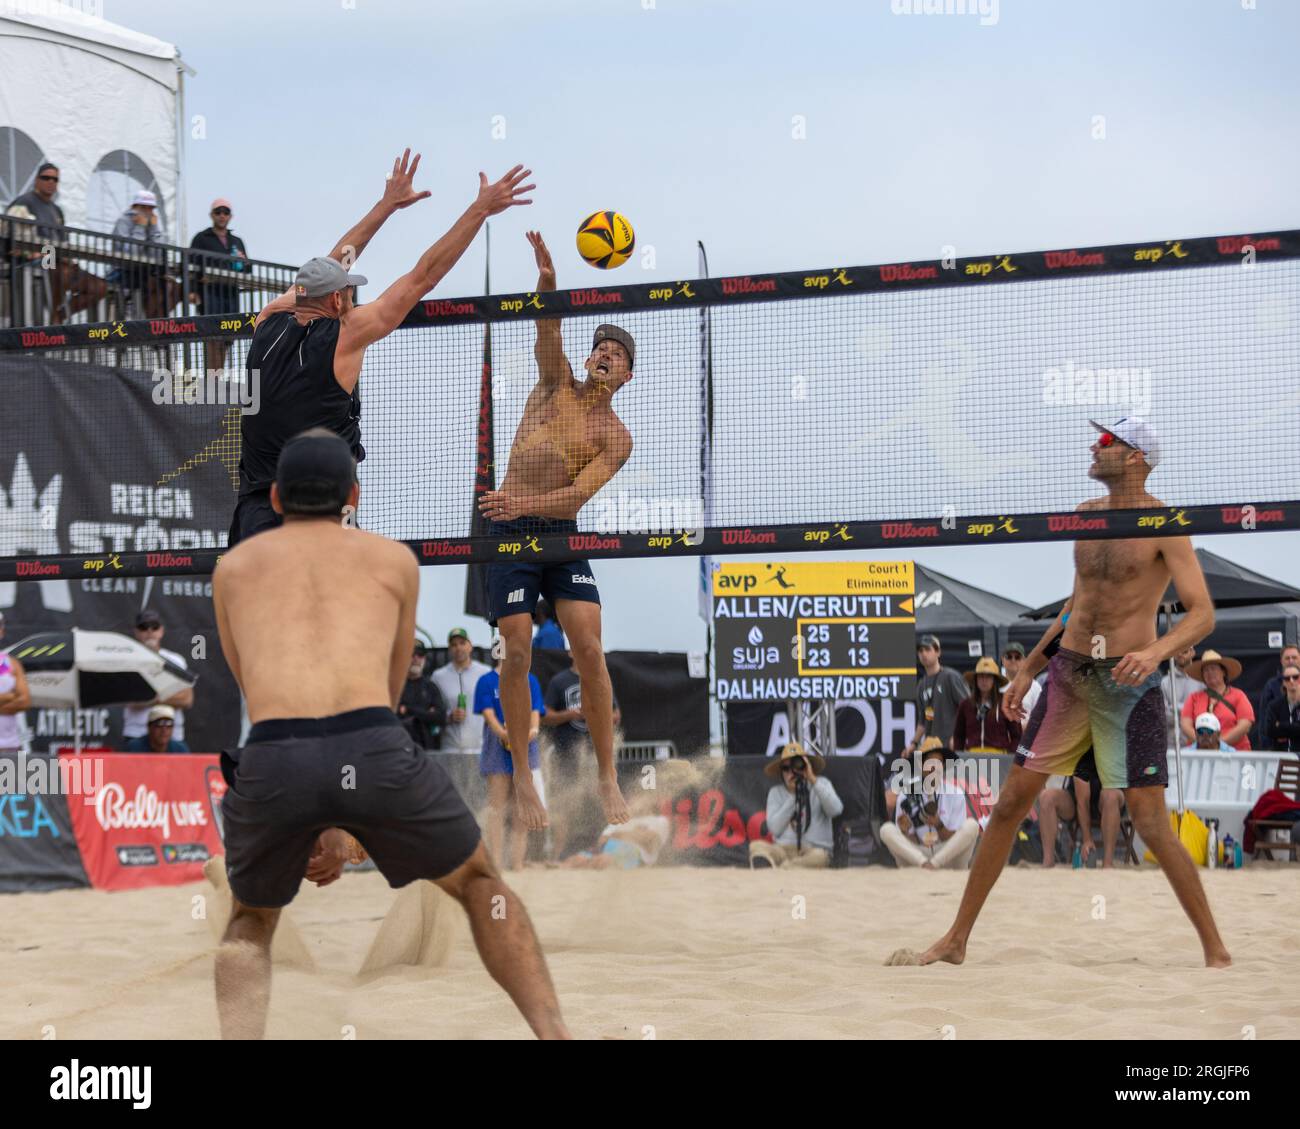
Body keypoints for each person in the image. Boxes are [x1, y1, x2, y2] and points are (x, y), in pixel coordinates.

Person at [212, 428, 567, 1039]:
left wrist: (317, 818)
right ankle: (557, 1036)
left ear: (274, 498)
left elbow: (258, 691)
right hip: (370, 744)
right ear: (352, 494)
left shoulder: (233, 569)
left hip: (275, 756)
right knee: (483, 886)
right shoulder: (393, 560)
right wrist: (342, 810)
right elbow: (389, 691)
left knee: (250, 920)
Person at [910, 418, 1230, 968]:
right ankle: (957, 939)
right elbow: (1075, 606)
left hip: (1129, 682)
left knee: (1150, 822)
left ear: (1135, 458)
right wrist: (1029, 669)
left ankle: (1216, 952)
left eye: (1106, 441)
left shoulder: (1166, 525)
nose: (1093, 445)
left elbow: (1202, 614)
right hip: (1071, 677)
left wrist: (1154, 652)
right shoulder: (1085, 515)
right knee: (1011, 803)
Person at [229, 150, 534, 547]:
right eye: (348, 290)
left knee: (259, 608)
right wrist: (479, 209)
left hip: (254, 509)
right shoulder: (345, 335)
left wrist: (386, 205)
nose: (353, 296)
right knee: (329, 607)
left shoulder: (267, 321)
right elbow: (423, 276)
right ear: (336, 301)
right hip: (319, 509)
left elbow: (328, 266)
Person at [475, 230, 633, 836]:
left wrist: (525, 505)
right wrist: (547, 283)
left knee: (590, 649)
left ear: (626, 375)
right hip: (510, 529)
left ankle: (607, 775)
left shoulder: (617, 436)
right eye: (602, 346)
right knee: (515, 647)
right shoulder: (556, 381)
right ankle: (520, 771)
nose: (605, 354)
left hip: (557, 532)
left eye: (617, 353)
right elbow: (548, 329)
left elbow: (576, 495)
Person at [541, 647, 622, 857]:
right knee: (564, 805)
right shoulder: (559, 681)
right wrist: (570, 714)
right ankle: (558, 855)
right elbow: (545, 715)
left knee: (601, 801)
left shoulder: (599, 678)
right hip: (566, 755)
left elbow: (615, 715)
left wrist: (595, 714)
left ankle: (601, 849)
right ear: (570, 652)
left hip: (596, 757)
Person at [5, 162, 106, 322]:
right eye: (46, 177)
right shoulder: (23, 202)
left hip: (56, 259)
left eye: (55, 179)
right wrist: (29, 253)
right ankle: (53, 318)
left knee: (100, 287)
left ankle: (59, 316)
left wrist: (67, 257)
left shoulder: (57, 210)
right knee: (62, 270)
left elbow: (62, 242)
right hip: (35, 258)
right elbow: (9, 235)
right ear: (36, 180)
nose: (51, 182)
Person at [475, 649, 546, 871]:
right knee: (497, 807)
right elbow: (488, 715)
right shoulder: (487, 681)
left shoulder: (530, 680)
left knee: (520, 807)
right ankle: (495, 861)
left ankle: (517, 862)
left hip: (525, 745)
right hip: (498, 746)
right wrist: (504, 733)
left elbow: (535, 712)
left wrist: (531, 731)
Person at [557, 760, 698, 870]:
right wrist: (633, 834)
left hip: (630, 853)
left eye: (645, 796)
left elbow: (651, 840)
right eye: (637, 795)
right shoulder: (621, 818)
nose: (638, 799)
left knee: (603, 861)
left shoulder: (659, 820)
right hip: (606, 850)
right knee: (575, 860)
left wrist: (619, 835)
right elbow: (602, 840)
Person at [881, 737, 979, 870]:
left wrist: (939, 825)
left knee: (972, 826)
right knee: (886, 829)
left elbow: (955, 839)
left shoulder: (955, 793)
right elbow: (909, 844)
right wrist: (905, 832)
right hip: (917, 856)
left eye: (938, 762)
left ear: (944, 765)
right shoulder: (906, 794)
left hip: (947, 856)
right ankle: (925, 864)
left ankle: (932, 865)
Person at [748, 743, 843, 869]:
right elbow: (775, 829)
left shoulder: (821, 784)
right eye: (786, 768)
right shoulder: (776, 792)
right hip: (783, 850)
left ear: (807, 766)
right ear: (781, 772)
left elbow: (836, 810)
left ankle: (783, 868)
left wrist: (812, 780)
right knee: (756, 846)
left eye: (797, 766)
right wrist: (794, 797)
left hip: (814, 850)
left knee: (820, 857)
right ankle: (785, 867)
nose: (792, 772)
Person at [188, 197, 249, 372]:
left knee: (227, 337)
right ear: (211, 215)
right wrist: (192, 291)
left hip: (230, 294)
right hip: (209, 294)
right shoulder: (201, 238)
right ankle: (213, 378)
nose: (222, 215)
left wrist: (243, 263)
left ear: (230, 216)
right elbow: (190, 265)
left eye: (225, 212)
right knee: (212, 335)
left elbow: (247, 268)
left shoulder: (236, 241)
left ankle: (217, 377)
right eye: (218, 212)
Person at [1036, 748, 1124, 868]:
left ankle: (1108, 863)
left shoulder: (1112, 740)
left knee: (1111, 796)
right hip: (1077, 798)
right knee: (1047, 797)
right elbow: (1082, 801)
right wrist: (1087, 839)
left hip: (1109, 797)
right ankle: (1048, 861)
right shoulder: (1080, 746)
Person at [122, 608, 193, 744]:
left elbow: (186, 699)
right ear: (136, 632)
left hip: (172, 735)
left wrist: (149, 697)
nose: (149, 631)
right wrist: (169, 695)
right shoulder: (127, 661)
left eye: (154, 627)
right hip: (137, 733)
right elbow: (129, 699)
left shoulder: (176, 661)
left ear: (161, 631)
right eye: (144, 627)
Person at [110, 190, 175, 318]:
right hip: (123, 271)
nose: (147, 211)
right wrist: (140, 227)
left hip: (144, 272)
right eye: (143, 207)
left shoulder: (151, 224)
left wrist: (154, 229)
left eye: (150, 208)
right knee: (148, 284)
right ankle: (137, 321)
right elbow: (131, 253)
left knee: (167, 285)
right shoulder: (123, 221)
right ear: (134, 207)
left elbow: (158, 254)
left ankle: (155, 324)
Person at [906, 634, 969, 755]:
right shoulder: (921, 685)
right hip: (932, 748)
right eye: (921, 651)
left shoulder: (950, 677)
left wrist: (958, 736)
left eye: (928, 649)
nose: (924, 654)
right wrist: (914, 743)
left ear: (938, 652)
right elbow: (923, 721)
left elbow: (969, 710)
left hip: (952, 745)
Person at [430, 627, 490, 753]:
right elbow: (432, 709)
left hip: (480, 748)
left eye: (462, 643)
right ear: (449, 649)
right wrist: (449, 716)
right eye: (454, 645)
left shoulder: (485, 673)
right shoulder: (438, 676)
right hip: (450, 747)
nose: (458, 648)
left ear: (470, 646)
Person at [1180, 650, 1253, 750]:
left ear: (1223, 672)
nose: (1209, 672)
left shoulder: (1238, 695)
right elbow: (1185, 725)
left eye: (1213, 668)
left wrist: (1219, 745)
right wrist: (1204, 743)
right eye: (1206, 670)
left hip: (1235, 753)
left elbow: (1245, 725)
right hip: (1199, 754)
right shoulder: (1193, 697)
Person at [952, 657, 1021, 753]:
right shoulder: (965, 705)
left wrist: (1009, 755)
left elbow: (1017, 735)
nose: (984, 680)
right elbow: (958, 735)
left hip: (999, 759)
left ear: (995, 680)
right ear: (976, 679)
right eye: (981, 676)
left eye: (988, 676)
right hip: (973, 759)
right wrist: (958, 758)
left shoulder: (1006, 703)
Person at [397, 640, 445, 750]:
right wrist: (426, 713)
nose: (416, 659)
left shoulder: (431, 687)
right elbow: (393, 715)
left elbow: (440, 717)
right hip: (401, 748)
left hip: (427, 748)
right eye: (412, 654)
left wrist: (408, 710)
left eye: (420, 655)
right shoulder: (396, 686)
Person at [1257, 644, 1300, 747]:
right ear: (1281, 661)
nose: (1291, 661)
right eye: (1287, 658)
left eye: (1294, 657)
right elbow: (1266, 724)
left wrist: (1281, 726)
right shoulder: (1271, 686)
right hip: (1279, 749)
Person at [0, 612, 31, 754]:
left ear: (2, 632)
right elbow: (18, 698)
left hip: (10, 747)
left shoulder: (12, 664)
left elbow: (25, 701)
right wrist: (10, 696)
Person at [1263, 662, 1300, 752]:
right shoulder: (1274, 705)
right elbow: (1269, 730)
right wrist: (1295, 728)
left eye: (1295, 677)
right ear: (1283, 682)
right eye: (1287, 678)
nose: (1291, 680)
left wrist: (1280, 726)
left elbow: (1276, 730)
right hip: (1281, 756)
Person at [123, 705, 191, 753]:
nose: (164, 730)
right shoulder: (134, 748)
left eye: (169, 725)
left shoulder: (180, 750)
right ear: (149, 727)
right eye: (159, 724)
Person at [1001, 643, 1040, 720]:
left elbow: (1041, 716)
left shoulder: (1035, 686)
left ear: (1024, 661)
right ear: (1002, 660)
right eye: (1009, 657)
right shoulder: (995, 683)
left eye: (1017, 657)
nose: (1013, 660)